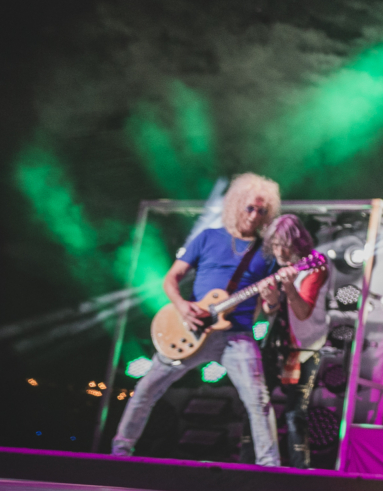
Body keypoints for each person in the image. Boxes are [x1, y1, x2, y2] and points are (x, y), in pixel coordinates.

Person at [112, 173, 283, 466]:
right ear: (236, 204)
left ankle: (270, 468)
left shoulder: (267, 253)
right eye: (250, 208)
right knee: (146, 390)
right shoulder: (208, 238)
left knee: (259, 402)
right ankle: (119, 454)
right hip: (190, 328)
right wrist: (182, 307)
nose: (255, 215)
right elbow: (171, 279)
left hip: (237, 336)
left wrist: (271, 297)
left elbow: (270, 308)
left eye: (262, 210)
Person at [262, 213, 327, 469]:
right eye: (274, 244)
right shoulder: (281, 267)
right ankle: (256, 463)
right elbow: (271, 311)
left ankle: (300, 470)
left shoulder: (314, 266)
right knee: (257, 405)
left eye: (282, 244)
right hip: (276, 343)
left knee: (295, 412)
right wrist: (271, 301)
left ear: (296, 242)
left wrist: (289, 290)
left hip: (305, 348)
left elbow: (302, 313)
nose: (277, 250)